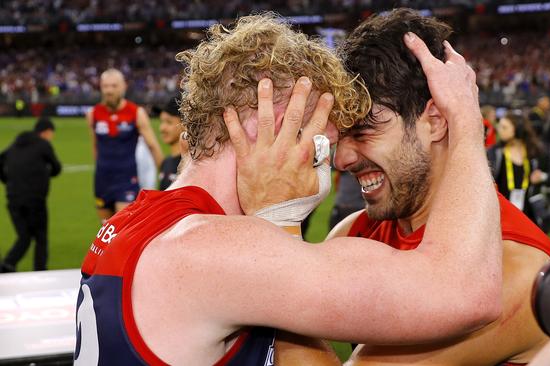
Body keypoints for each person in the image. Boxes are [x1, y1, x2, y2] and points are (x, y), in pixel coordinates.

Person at [74, 14, 502, 365]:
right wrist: (464, 118)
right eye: (322, 146)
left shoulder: (140, 221)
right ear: (272, 127)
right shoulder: (214, 250)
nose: (331, 164)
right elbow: (466, 294)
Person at [331, 9, 550, 365]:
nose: (340, 159)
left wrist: (274, 218)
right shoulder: (356, 233)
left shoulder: (515, 270)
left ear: (435, 121)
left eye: (363, 131)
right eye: (340, 135)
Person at [86, 68, 164, 223]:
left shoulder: (136, 113)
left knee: (122, 228)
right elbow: (95, 146)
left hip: (126, 180)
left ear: (123, 87)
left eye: (114, 86)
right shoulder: (93, 114)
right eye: (105, 86)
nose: (109, 90)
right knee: (105, 230)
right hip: (102, 180)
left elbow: (153, 146)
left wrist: (166, 175)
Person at [0, 118, 61, 272]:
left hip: (13, 198)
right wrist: (47, 173)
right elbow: (57, 167)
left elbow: (1, 160)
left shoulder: (15, 145)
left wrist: (6, 179)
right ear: (47, 132)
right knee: (40, 237)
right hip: (35, 199)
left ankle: (7, 265)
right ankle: (40, 271)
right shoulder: (43, 144)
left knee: (25, 236)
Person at [489, 111, 550, 230]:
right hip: (502, 215)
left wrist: (542, 177)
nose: (499, 129)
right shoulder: (494, 153)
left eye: (504, 127)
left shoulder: (536, 152)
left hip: (529, 215)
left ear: (517, 129)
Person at [157, 94, 183, 190]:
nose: (162, 128)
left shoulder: (190, 163)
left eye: (169, 122)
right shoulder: (166, 162)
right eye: (161, 122)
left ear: (185, 124)